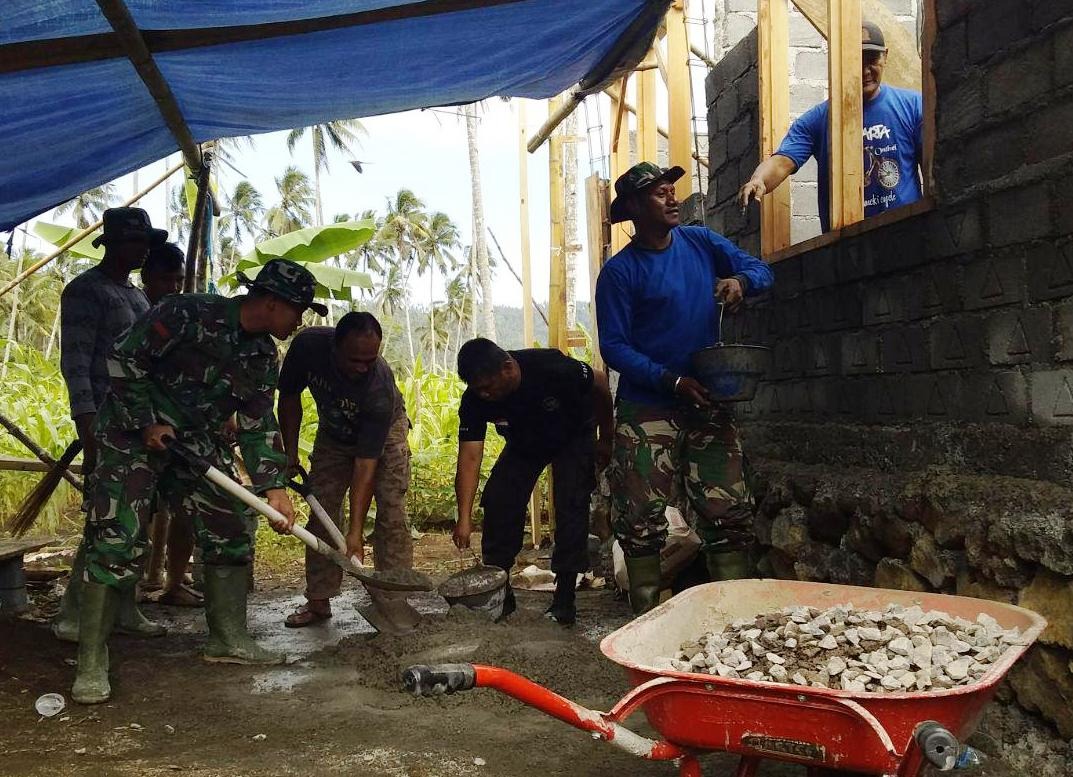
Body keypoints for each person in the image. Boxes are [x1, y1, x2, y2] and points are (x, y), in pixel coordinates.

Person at [71, 258, 320, 705]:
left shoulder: (263, 354)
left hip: (192, 442)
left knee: (229, 522)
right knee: (117, 541)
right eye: (297, 309)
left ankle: (227, 639)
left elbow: (257, 422)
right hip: (130, 436)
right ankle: (91, 659)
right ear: (271, 302)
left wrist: (273, 487)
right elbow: (124, 359)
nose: (299, 321)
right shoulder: (186, 313)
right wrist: (147, 421)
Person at [595, 161, 774, 615]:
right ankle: (646, 620)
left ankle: (733, 621)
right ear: (634, 208)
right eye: (658, 193)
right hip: (649, 408)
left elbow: (761, 270)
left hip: (709, 400)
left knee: (728, 511)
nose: (672, 198)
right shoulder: (620, 273)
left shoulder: (700, 242)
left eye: (671, 190)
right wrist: (670, 379)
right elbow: (614, 346)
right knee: (640, 519)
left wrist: (740, 282)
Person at [53, 207, 167, 643]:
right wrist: (86, 422)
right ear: (114, 244)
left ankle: (124, 604)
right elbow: (77, 362)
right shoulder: (86, 291)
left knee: (132, 520)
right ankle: (74, 612)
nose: (142, 251)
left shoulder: (136, 295)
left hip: (139, 422)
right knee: (103, 521)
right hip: (105, 420)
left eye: (144, 243)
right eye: (135, 243)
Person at [451, 338, 614, 625]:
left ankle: (565, 599)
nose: (485, 395)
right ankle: (501, 594)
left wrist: (607, 437)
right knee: (500, 498)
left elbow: (600, 383)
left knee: (571, 504)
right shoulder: (476, 398)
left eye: (489, 387)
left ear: (508, 368)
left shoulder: (553, 368)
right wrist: (463, 518)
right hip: (525, 443)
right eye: (478, 389)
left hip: (573, 436)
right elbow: (470, 458)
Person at [276, 311, 421, 634]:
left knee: (391, 514)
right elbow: (288, 398)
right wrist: (289, 454)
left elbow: (365, 466)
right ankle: (318, 599)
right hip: (334, 432)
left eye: (370, 360)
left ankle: (392, 602)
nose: (362, 368)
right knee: (322, 511)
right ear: (335, 348)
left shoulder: (378, 387)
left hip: (386, 434)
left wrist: (355, 531)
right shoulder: (308, 347)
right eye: (354, 360)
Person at [738, 21, 923, 232]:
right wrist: (758, 179)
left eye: (871, 59)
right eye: (856, 60)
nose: (865, 71)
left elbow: (933, 168)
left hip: (908, 236)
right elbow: (782, 161)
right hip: (847, 247)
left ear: (885, 57)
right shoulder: (817, 120)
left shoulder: (914, 106)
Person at [139, 243, 201, 607]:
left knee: (184, 511)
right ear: (147, 278)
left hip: (178, 429)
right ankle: (129, 591)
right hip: (139, 427)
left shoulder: (186, 317)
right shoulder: (136, 309)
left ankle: (174, 581)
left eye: (178, 280)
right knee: (136, 514)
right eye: (166, 279)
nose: (173, 287)